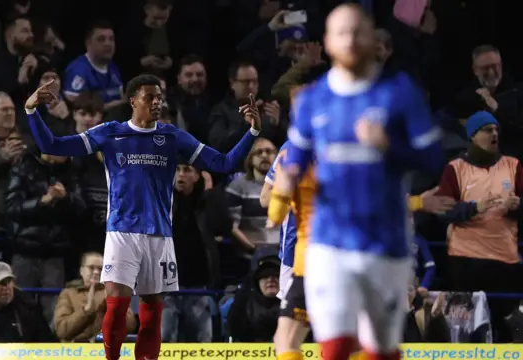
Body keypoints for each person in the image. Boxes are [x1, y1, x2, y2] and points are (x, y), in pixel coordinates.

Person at [24, 74, 261, 360]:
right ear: (133, 101)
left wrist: (253, 133)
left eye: (160, 98)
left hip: (159, 235)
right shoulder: (110, 133)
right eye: (150, 97)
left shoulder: (173, 137)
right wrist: (31, 110)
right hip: (122, 233)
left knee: (152, 315)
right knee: (116, 308)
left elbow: (224, 163)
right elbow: (53, 146)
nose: (157, 102)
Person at [267, 4, 445, 360]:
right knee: (334, 344)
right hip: (328, 243)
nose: (349, 40)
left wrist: (389, 146)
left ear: (374, 40)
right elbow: (295, 160)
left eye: (357, 31)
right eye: (340, 32)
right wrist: (282, 189)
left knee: (379, 348)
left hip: (385, 241)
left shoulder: (399, 92)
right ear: (328, 43)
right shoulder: (312, 101)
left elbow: (432, 159)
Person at [261, 140, 316, 360]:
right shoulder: (358, 142)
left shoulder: (290, 152)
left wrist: (283, 199)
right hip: (347, 252)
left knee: (285, 339)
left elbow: (268, 202)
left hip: (299, 257)